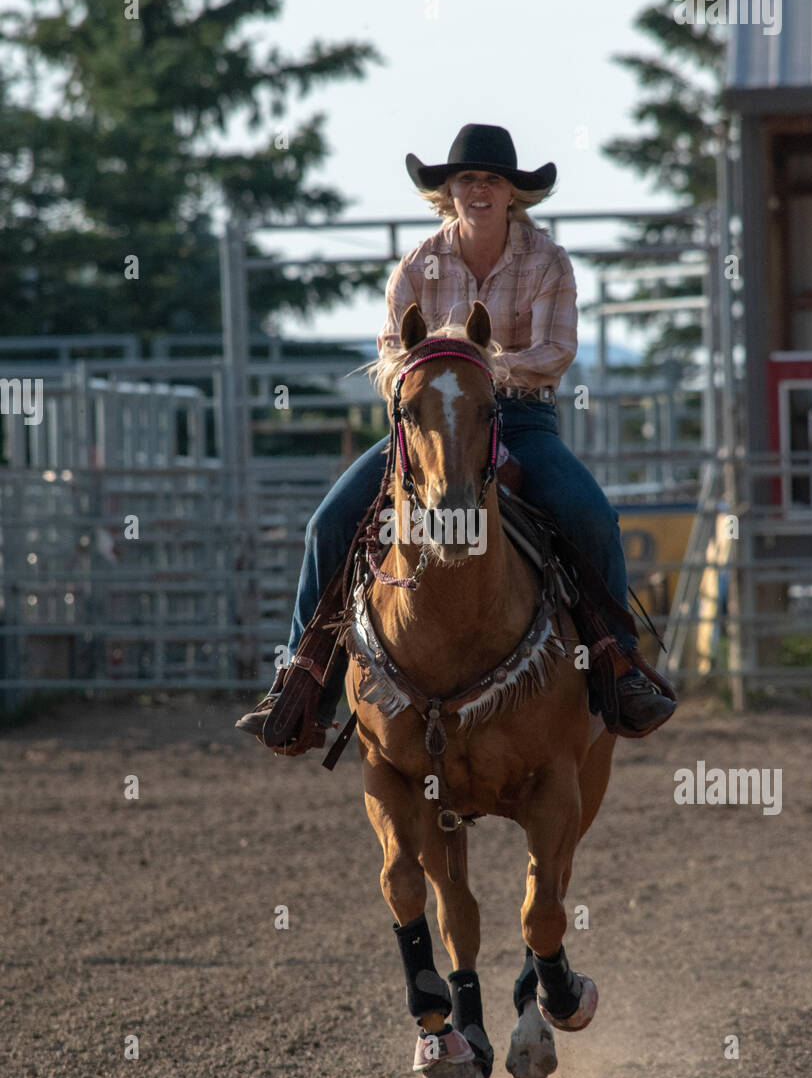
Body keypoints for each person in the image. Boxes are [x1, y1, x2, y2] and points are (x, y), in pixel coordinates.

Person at [237, 124, 676, 746]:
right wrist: (444, 375)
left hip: (519, 418)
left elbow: (557, 352)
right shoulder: (416, 266)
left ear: (512, 194)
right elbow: (391, 360)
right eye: (467, 179)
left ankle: (618, 661)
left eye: (491, 180)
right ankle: (301, 679)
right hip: (427, 425)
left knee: (591, 515)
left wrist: (476, 368)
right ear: (448, 191)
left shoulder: (548, 261)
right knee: (328, 524)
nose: (479, 189)